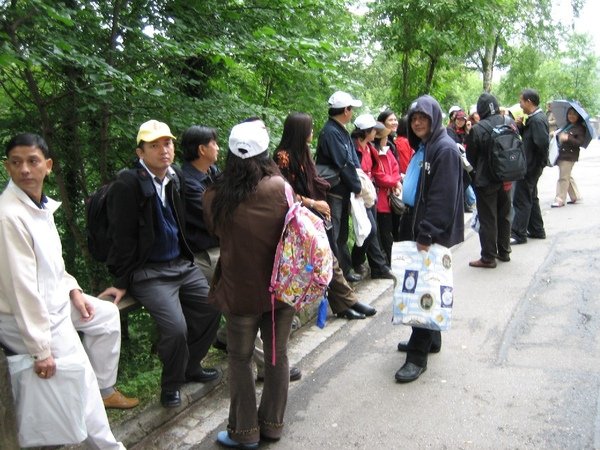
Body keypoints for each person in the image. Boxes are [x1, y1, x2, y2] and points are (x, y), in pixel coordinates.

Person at [0, 133, 126, 449]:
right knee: (81, 387)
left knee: (106, 315)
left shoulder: (38, 206)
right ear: (7, 168)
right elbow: (21, 289)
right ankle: (103, 436)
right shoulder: (8, 216)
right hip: (29, 318)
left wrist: (74, 289)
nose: (25, 169)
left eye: (32, 161)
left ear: (48, 166)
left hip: (55, 301)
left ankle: (105, 389)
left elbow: (52, 266)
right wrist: (41, 350)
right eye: (16, 163)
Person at [100, 120, 221, 408]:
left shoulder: (175, 177)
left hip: (180, 264)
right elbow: (121, 235)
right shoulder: (127, 184)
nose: (163, 150)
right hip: (149, 272)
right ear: (140, 152)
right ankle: (171, 385)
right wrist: (121, 281)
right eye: (154, 145)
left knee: (214, 307)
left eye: (167, 143)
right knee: (175, 328)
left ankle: (190, 366)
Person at [180, 124, 302, 380]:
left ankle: (233, 344)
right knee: (248, 300)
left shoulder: (214, 178)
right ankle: (265, 367)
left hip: (225, 249)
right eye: (213, 143)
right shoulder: (192, 184)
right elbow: (219, 226)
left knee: (243, 314)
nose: (217, 147)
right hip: (209, 253)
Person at [203, 119, 294, 448]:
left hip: (239, 291)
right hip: (279, 291)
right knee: (277, 356)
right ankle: (272, 425)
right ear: (264, 153)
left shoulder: (214, 196)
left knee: (240, 359)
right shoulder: (279, 187)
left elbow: (214, 230)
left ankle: (244, 432)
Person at [273, 112, 376, 320]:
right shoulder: (283, 157)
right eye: (309, 128)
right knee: (326, 257)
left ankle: (346, 303)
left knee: (329, 257)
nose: (312, 132)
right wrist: (313, 203)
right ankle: (347, 302)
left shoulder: (303, 152)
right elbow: (286, 193)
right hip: (298, 218)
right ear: (300, 131)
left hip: (313, 214)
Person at [394, 95, 464, 383]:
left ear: (434, 118)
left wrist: (427, 231)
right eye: (414, 118)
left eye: (423, 117)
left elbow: (443, 198)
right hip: (417, 221)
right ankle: (432, 339)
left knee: (423, 288)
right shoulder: (427, 145)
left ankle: (417, 355)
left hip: (429, 229)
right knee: (427, 283)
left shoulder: (443, 149)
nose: (418, 122)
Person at [315, 91, 363, 283]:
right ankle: (334, 275)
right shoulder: (331, 132)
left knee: (341, 231)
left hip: (342, 190)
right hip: (335, 190)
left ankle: (344, 268)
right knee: (334, 232)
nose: (352, 113)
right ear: (345, 110)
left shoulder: (338, 129)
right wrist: (357, 185)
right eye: (351, 109)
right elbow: (343, 162)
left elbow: (350, 160)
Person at [466, 93, 513, 268]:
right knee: (504, 214)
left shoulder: (477, 129)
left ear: (481, 109)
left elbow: (470, 157)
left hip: (486, 180)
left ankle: (488, 257)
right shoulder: (509, 122)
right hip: (507, 177)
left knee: (488, 218)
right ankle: (504, 251)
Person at [350, 113, 397, 276]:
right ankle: (362, 262)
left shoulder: (369, 148)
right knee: (370, 229)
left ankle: (375, 266)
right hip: (359, 194)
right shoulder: (354, 149)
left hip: (370, 193)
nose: (376, 133)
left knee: (372, 229)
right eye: (373, 130)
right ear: (366, 131)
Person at [511, 89, 549, 245]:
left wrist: (535, 165)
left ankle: (519, 233)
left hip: (531, 166)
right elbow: (530, 139)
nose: (520, 105)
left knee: (522, 198)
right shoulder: (534, 119)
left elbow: (541, 144)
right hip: (531, 165)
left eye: (521, 101)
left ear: (529, 102)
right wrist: (521, 127)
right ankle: (537, 229)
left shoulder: (538, 120)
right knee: (531, 197)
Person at [372, 121, 402, 266]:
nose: (386, 139)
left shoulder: (388, 151)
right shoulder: (374, 153)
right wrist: (393, 182)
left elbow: (395, 166)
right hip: (381, 199)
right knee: (385, 232)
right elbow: (378, 175)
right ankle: (389, 261)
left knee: (393, 229)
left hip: (391, 196)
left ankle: (394, 259)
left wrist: (395, 181)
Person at [551, 106, 586, 208]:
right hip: (561, 154)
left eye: (574, 114)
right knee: (566, 176)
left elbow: (580, 142)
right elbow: (560, 136)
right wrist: (555, 134)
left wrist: (568, 138)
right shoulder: (566, 126)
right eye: (570, 113)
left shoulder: (580, 128)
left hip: (569, 155)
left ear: (578, 116)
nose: (571, 116)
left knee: (563, 178)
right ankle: (575, 196)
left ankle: (560, 199)